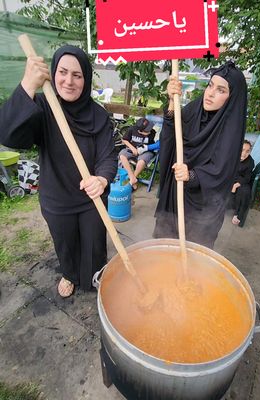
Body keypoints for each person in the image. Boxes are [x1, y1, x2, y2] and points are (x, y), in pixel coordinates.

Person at [0, 45, 118, 297]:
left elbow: (108, 154)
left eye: (77, 75)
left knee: (95, 242)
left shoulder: (98, 114)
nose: (69, 81)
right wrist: (27, 86)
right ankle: (70, 274)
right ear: (53, 73)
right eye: (63, 72)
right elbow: (9, 135)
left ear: (85, 79)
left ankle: (95, 275)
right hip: (57, 197)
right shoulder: (42, 105)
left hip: (92, 196)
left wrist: (102, 178)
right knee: (65, 242)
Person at [153, 61, 247, 249]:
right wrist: (172, 101)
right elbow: (172, 134)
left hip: (201, 209)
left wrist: (192, 175)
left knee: (193, 256)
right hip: (175, 192)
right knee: (164, 250)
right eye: (210, 85)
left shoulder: (230, 130)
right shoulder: (195, 110)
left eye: (221, 90)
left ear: (232, 97)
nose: (210, 93)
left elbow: (221, 170)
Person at [119, 117, 156, 190]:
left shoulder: (152, 132)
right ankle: (131, 176)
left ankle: (133, 179)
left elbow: (153, 145)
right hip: (132, 149)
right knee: (122, 155)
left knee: (142, 161)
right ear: (139, 131)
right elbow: (124, 140)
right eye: (147, 130)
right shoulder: (132, 129)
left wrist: (143, 149)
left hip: (146, 151)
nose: (150, 131)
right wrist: (132, 148)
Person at [231, 140, 254, 226]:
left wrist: (235, 185)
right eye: (242, 150)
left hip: (241, 181)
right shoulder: (232, 156)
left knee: (245, 191)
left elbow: (247, 178)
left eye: (247, 151)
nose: (244, 154)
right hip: (229, 178)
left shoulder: (250, 162)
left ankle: (238, 214)